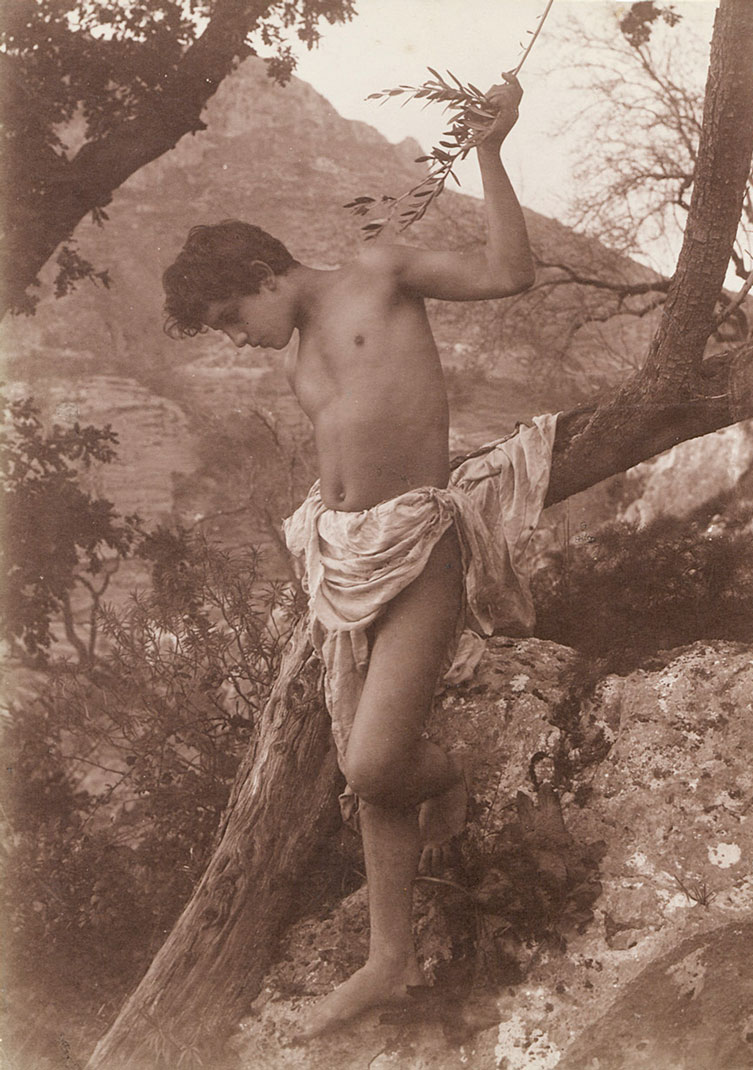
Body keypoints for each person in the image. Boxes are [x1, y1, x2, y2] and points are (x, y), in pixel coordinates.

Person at [163, 71, 556, 1037]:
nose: (237, 342)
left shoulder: (380, 273)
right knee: (361, 764)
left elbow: (513, 273)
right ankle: (389, 959)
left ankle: (448, 774)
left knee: (379, 765)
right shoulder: (297, 353)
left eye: (228, 320)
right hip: (344, 564)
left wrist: (495, 149)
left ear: (261, 276)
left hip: (417, 546)